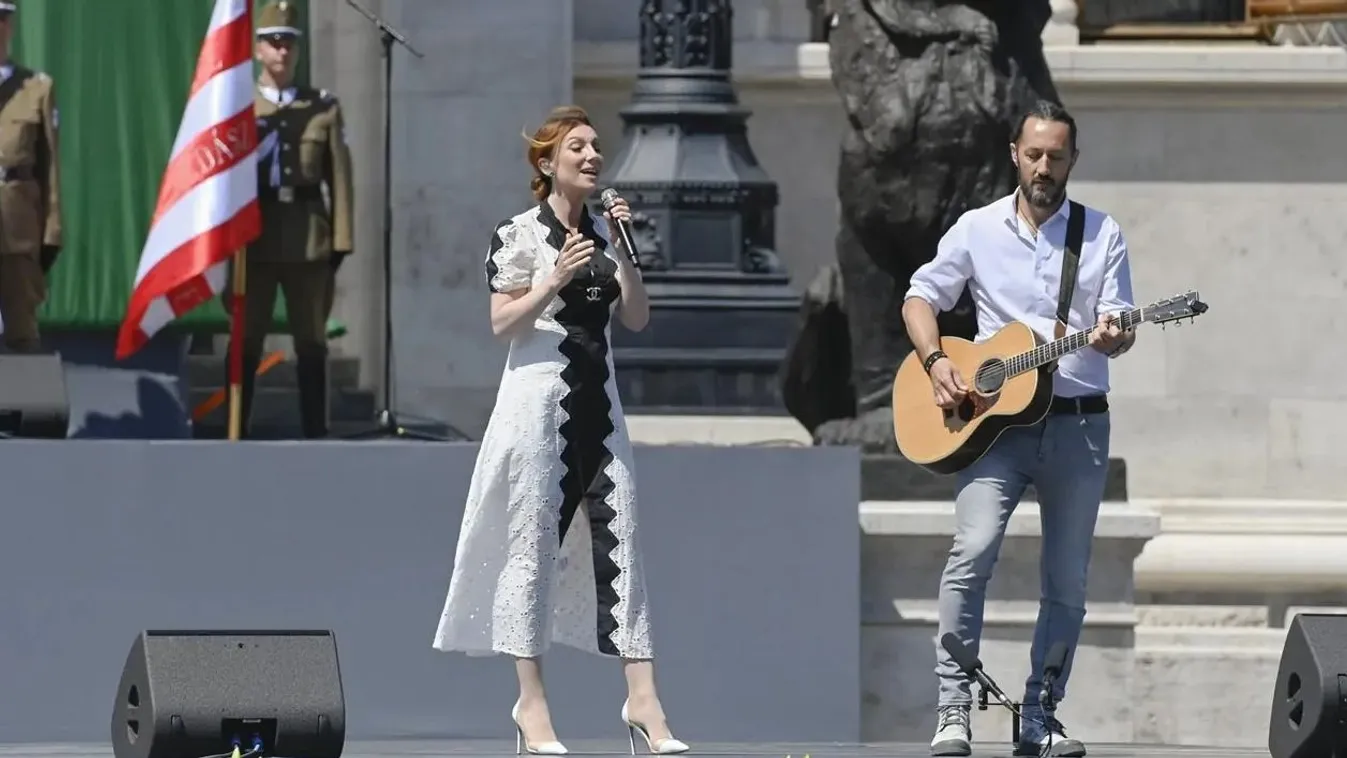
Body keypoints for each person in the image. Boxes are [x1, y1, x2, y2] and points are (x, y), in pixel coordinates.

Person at [432, 105, 688, 757]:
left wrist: (625, 254)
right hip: (537, 408)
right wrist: (555, 278)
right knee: (532, 550)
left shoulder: (606, 231)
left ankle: (643, 698)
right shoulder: (517, 234)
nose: (592, 155)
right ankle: (531, 701)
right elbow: (501, 325)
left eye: (596, 146)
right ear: (547, 164)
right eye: (577, 146)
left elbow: (634, 318)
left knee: (622, 539)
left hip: (599, 409)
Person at [902, 100, 1135, 758]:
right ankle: (953, 711)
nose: (1042, 167)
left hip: (1077, 425)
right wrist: (938, 361)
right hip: (993, 428)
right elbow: (920, 297)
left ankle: (1039, 716)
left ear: (1071, 161)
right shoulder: (976, 229)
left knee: (1067, 579)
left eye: (1055, 157)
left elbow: (1115, 330)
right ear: (1014, 152)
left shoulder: (1099, 233)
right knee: (970, 553)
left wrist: (1114, 336)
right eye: (1032, 154)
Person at [227, 0, 353, 438]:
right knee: (246, 339)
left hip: (307, 236)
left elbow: (339, 175)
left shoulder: (322, 107)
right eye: (274, 43)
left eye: (289, 45)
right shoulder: (239, 105)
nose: (282, 52)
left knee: (311, 342)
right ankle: (236, 431)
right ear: (259, 50)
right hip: (254, 237)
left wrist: (340, 240)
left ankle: (315, 432)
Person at [0, 0, 61, 353]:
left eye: (2, 19)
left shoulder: (36, 88)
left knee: (22, 330)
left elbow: (49, 162)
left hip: (16, 222)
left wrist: (52, 228)